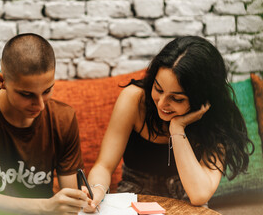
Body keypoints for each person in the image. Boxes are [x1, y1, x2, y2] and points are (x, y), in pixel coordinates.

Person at [85, 36, 254, 211]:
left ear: (200, 100)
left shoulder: (215, 123)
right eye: (158, 89)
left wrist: (177, 129)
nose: (161, 104)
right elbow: (104, 165)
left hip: (187, 205)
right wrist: (97, 189)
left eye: (176, 98)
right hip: (135, 199)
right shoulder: (134, 100)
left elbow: (199, 194)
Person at [0, 33, 90, 214]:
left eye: (47, 91)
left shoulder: (63, 118)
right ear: (1, 80)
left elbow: (72, 197)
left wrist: (80, 200)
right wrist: (46, 207)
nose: (40, 105)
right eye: (26, 94)